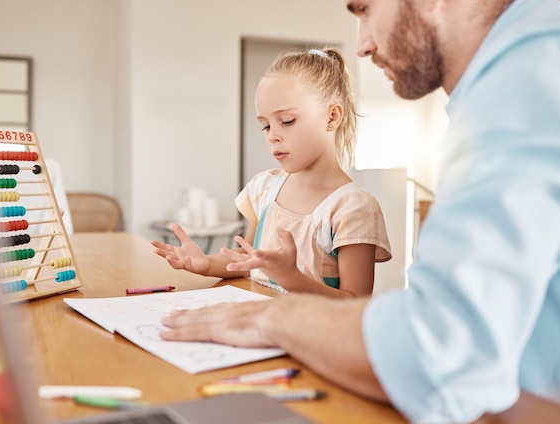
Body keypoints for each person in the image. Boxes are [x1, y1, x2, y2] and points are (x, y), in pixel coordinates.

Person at [158, 0, 560, 422]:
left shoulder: (525, 85)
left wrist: (274, 316)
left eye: (364, 9)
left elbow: (434, 355)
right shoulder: (506, 85)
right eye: (265, 125)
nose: (362, 45)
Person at [152, 47, 391, 298]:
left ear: (332, 117)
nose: (273, 136)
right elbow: (250, 261)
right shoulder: (265, 188)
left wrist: (292, 279)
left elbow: (357, 304)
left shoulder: (353, 208)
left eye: (287, 121)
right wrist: (206, 264)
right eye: (265, 126)